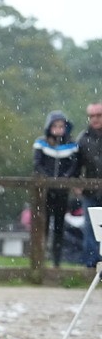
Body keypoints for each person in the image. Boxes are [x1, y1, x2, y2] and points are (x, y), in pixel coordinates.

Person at [32, 110, 79, 267]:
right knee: (42, 225)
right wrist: (49, 180)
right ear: (49, 127)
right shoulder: (41, 143)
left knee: (59, 227)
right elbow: (38, 164)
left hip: (62, 192)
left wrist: (64, 179)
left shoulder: (71, 145)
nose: (58, 129)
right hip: (45, 192)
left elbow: (73, 166)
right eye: (55, 126)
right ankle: (39, 260)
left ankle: (56, 262)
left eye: (61, 126)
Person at [75, 101, 102, 267]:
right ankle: (91, 266)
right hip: (90, 192)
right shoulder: (83, 138)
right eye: (92, 116)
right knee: (90, 229)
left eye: (98, 115)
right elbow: (75, 164)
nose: (95, 119)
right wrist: (76, 183)